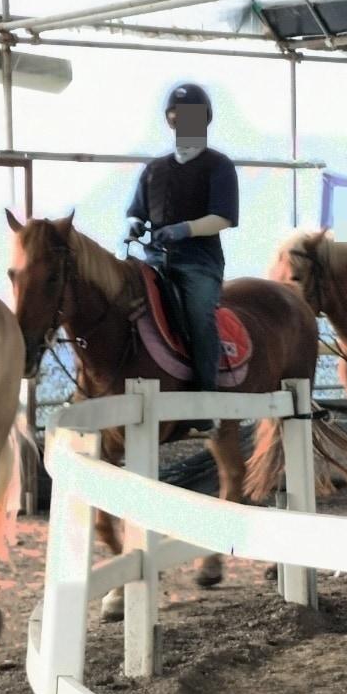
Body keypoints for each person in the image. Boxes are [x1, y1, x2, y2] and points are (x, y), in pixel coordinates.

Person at [125, 83, 239, 433]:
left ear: (204, 121)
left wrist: (184, 230)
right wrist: (133, 227)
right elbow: (137, 211)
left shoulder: (219, 166)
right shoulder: (153, 170)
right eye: (177, 118)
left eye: (191, 117)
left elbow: (223, 217)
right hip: (154, 260)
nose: (183, 123)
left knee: (198, 314)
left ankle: (206, 399)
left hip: (197, 262)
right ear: (170, 122)